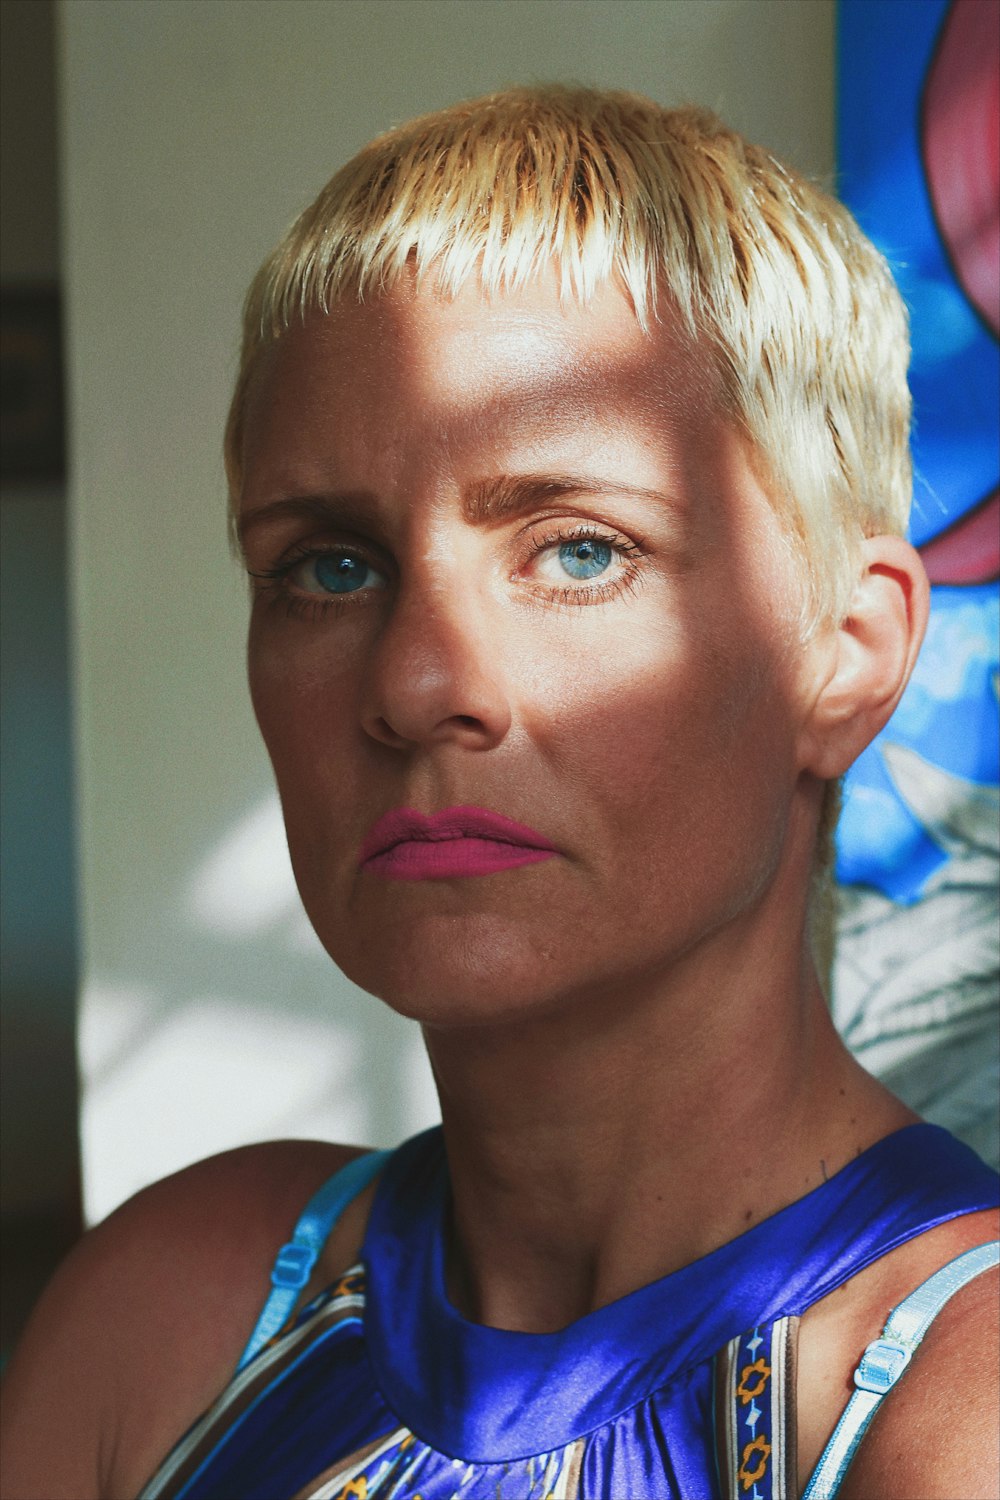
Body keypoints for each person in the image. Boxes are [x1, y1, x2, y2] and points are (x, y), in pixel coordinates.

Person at [2, 86, 997, 1500]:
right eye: (328, 565)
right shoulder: (170, 1323)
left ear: (847, 652)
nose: (417, 685)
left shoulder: (958, 1414)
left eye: (580, 551)